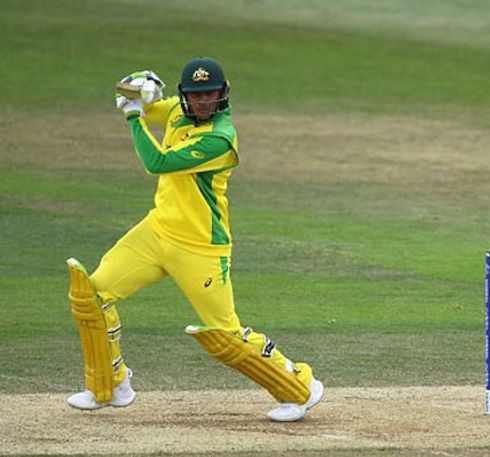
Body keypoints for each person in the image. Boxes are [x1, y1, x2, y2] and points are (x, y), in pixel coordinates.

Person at [65, 57, 323, 422]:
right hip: (156, 232)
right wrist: (139, 83)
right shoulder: (177, 112)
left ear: (223, 94)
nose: (203, 101)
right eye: (196, 94)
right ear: (185, 95)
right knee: (92, 295)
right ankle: (111, 386)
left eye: (210, 94)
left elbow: (157, 162)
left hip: (201, 247)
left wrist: (134, 116)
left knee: (225, 334)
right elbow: (135, 96)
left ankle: (300, 386)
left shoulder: (220, 139)